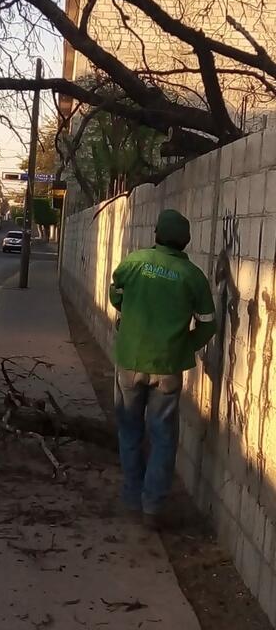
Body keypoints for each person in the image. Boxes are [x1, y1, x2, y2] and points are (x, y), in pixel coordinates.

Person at [109, 209, 216, 528]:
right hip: (168, 368)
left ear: (155, 233)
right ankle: (152, 506)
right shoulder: (193, 275)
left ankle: (131, 498)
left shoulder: (133, 261)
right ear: (186, 241)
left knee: (130, 430)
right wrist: (184, 346)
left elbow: (116, 294)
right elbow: (209, 325)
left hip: (130, 361)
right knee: (163, 436)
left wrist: (128, 313)